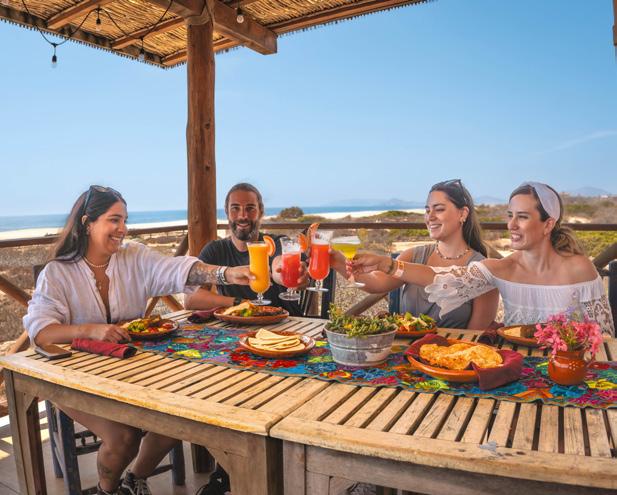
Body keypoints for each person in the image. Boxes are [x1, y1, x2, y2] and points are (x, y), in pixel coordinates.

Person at [23, 186, 252, 495]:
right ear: (87, 223)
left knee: (182, 409)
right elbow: (41, 332)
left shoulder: (134, 257)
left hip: (130, 369)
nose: (123, 229)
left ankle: (134, 480)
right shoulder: (57, 273)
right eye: (114, 220)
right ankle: (107, 490)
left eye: (125, 220)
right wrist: (90, 330)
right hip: (74, 377)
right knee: (124, 438)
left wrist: (226, 273)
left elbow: (178, 270)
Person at [350, 182, 615, 335]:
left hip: (568, 372)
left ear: (548, 224)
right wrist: (387, 264)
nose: (511, 225)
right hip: (517, 372)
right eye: (510, 215)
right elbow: (442, 278)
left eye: (522, 217)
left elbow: (603, 337)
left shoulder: (579, 269)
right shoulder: (502, 268)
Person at [330, 179, 498, 329]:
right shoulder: (413, 255)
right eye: (427, 210)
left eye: (439, 209)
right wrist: (338, 261)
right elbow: (376, 284)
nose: (430, 217)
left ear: (463, 214)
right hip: (403, 351)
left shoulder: (482, 270)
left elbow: (475, 338)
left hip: (453, 353)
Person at [185, 182, 309, 315]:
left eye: (250, 208)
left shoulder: (275, 244)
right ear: (227, 212)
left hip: (287, 323)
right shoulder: (215, 250)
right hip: (237, 325)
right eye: (235, 208)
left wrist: (284, 274)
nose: (243, 216)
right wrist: (240, 304)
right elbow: (190, 299)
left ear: (260, 212)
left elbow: (279, 264)